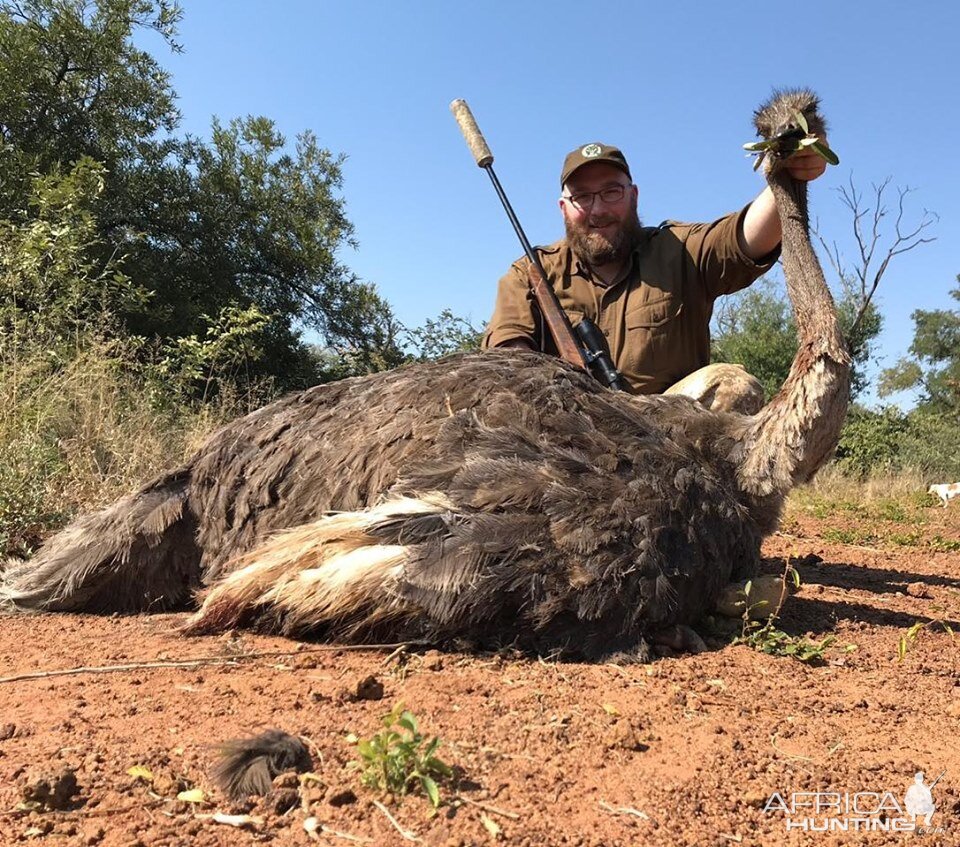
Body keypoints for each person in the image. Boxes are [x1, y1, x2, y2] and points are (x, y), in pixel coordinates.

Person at [481, 141, 827, 412]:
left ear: (633, 196)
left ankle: (700, 500)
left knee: (732, 385)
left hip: (666, 434)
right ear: (563, 207)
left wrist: (787, 175)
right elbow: (509, 358)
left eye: (611, 192)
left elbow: (748, 237)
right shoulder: (531, 273)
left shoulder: (677, 249)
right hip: (569, 429)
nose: (598, 209)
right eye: (582, 197)